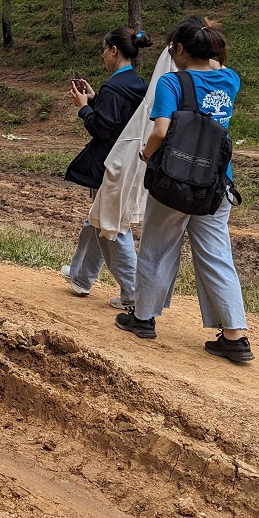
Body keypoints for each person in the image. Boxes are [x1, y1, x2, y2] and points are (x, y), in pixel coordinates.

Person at [115, 17, 253, 363]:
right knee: (217, 255)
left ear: (177, 50)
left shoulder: (171, 83)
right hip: (217, 183)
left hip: (175, 181)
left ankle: (144, 319)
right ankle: (234, 336)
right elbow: (215, 64)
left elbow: (161, 131)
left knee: (157, 248)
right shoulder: (230, 79)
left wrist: (146, 155)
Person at [60, 28, 153, 308]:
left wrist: (83, 108)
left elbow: (102, 128)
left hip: (112, 164)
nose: (102, 54)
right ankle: (80, 276)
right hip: (132, 162)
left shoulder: (115, 88)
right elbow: (121, 119)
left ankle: (135, 295)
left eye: (104, 49)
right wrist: (95, 98)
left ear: (114, 51)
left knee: (112, 226)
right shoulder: (137, 84)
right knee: (98, 219)